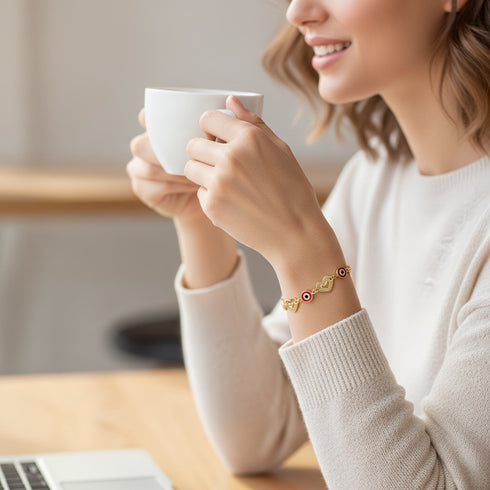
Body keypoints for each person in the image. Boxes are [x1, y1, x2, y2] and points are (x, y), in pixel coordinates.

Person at [127, 0, 490, 487]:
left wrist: (301, 247)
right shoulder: (374, 180)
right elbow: (257, 432)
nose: (298, 11)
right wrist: (199, 219)